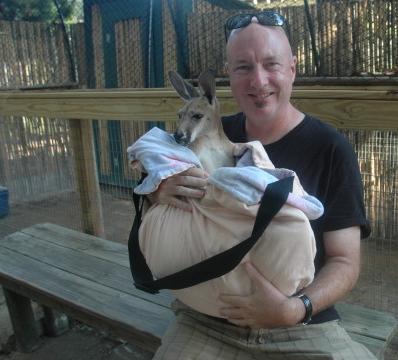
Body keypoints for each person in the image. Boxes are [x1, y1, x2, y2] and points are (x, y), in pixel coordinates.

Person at [148, 11, 375, 359]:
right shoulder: (210, 133)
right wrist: (159, 192)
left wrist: (296, 309)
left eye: (271, 64)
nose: (258, 80)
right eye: (243, 67)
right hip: (208, 316)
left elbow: (345, 261)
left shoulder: (330, 148)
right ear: (228, 76)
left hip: (299, 323)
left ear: (292, 69)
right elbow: (159, 194)